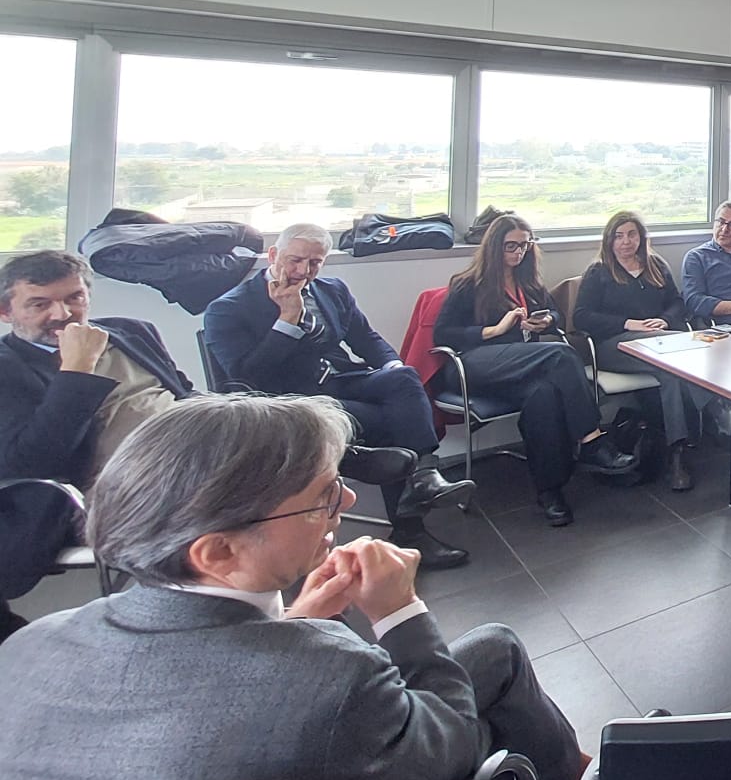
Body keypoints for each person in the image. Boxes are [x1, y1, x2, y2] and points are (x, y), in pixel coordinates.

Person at [0, 393, 583, 780]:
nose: (346, 502)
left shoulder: (27, 650)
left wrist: (291, 628)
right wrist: (400, 612)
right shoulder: (329, 677)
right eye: (322, 497)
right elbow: (447, 749)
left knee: (493, 653)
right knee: (497, 649)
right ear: (218, 551)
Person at [0, 250, 429, 603]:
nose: (62, 314)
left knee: (283, 415)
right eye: (39, 304)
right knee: (269, 493)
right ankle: (332, 477)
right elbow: (32, 461)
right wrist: (76, 372)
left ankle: (323, 481)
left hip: (191, 441)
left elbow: (184, 393)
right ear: (6, 312)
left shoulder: (129, 332)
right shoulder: (8, 366)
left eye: (74, 298)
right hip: (126, 480)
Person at [204, 224, 473, 568]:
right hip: (291, 401)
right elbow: (248, 377)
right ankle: (411, 525)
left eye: (315, 262)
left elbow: (366, 338)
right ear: (273, 255)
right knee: (393, 425)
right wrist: (287, 320)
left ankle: (423, 474)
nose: (304, 271)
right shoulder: (228, 308)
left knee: (404, 376)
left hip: (340, 380)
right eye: (295, 260)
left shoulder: (332, 290)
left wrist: (391, 365)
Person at [435, 216, 633, 529]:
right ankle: (592, 440)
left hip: (519, 366)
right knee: (560, 354)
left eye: (525, 245)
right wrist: (494, 330)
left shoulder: (528, 282)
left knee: (545, 396)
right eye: (511, 246)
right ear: (494, 246)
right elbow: (444, 334)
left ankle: (550, 492)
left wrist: (547, 321)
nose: (519, 252)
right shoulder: (468, 283)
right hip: (474, 364)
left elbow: (555, 313)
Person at [572, 210, 697, 493]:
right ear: (609, 240)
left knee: (672, 373)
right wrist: (628, 324)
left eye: (631, 235)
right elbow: (581, 317)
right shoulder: (599, 271)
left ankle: (677, 452)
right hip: (614, 346)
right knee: (678, 356)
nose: (626, 242)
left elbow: (677, 303)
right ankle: (701, 423)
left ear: (641, 238)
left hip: (658, 343)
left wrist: (664, 320)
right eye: (618, 236)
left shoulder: (655, 265)